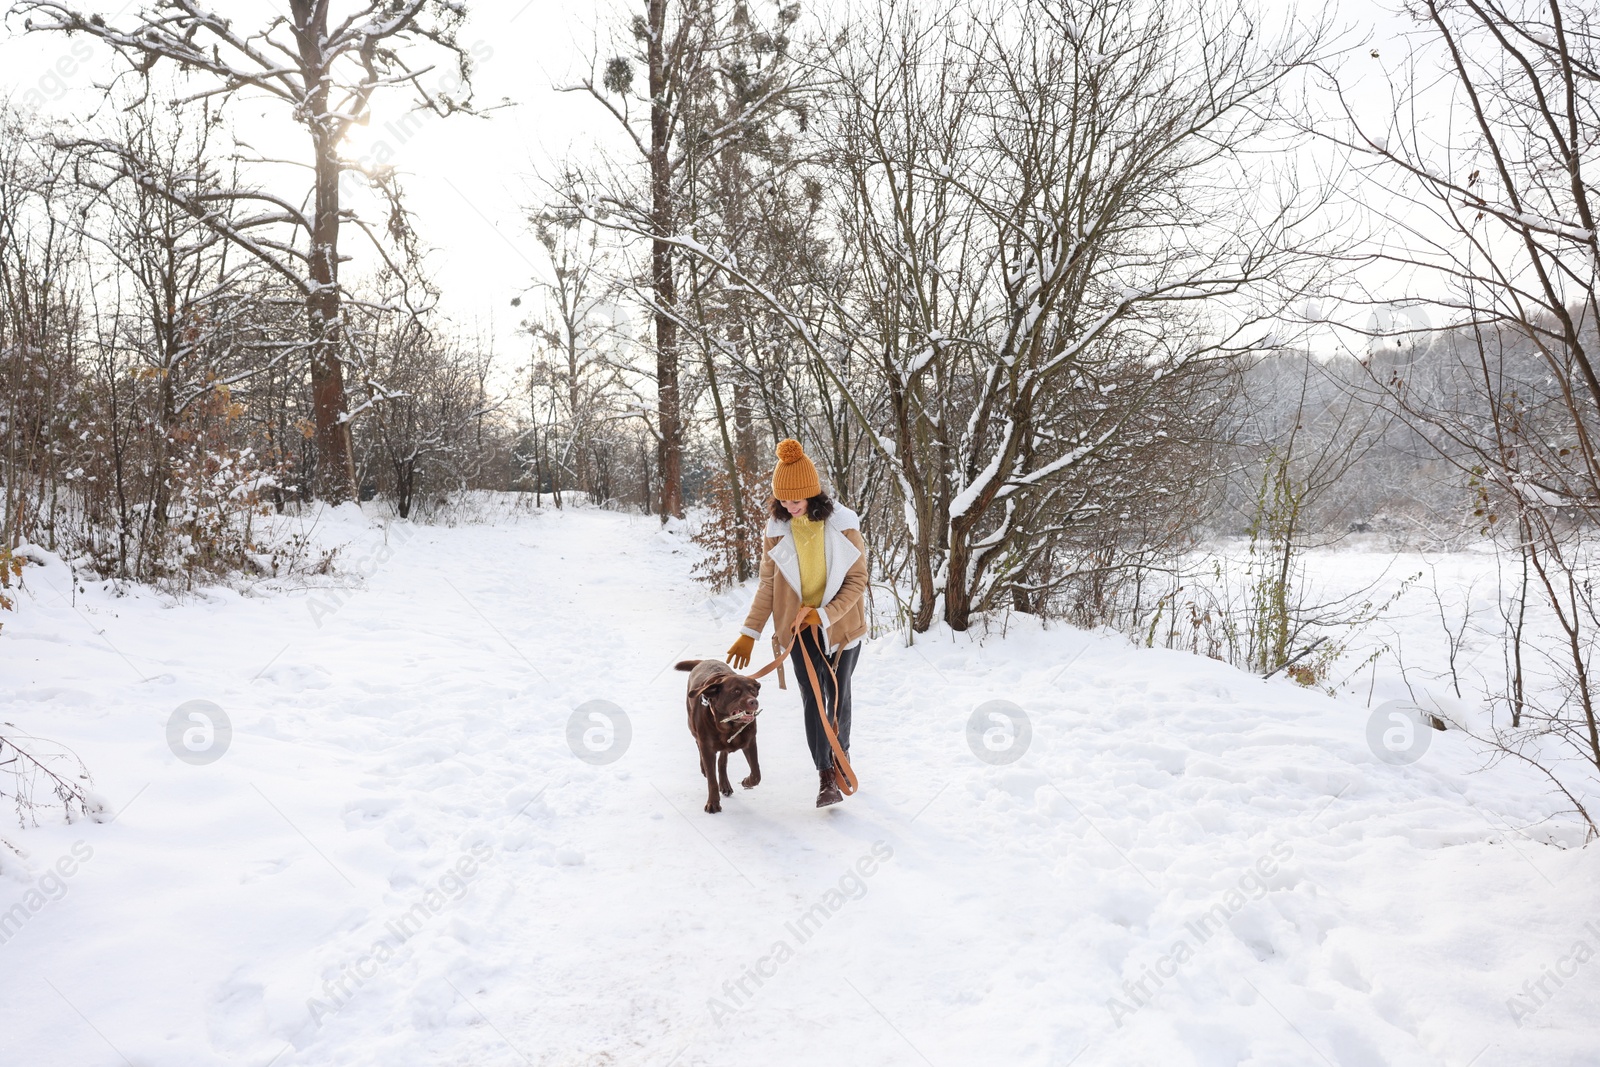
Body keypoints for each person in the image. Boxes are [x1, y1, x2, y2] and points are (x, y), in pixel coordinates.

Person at [726, 439, 869, 808]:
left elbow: (857, 581)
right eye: (784, 502)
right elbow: (769, 584)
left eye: (797, 501)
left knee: (838, 697)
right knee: (813, 700)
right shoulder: (776, 530)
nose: (790, 508)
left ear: (813, 495)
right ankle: (825, 776)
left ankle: (841, 758)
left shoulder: (844, 525)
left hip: (840, 628)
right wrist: (749, 632)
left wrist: (823, 614)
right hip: (798, 630)